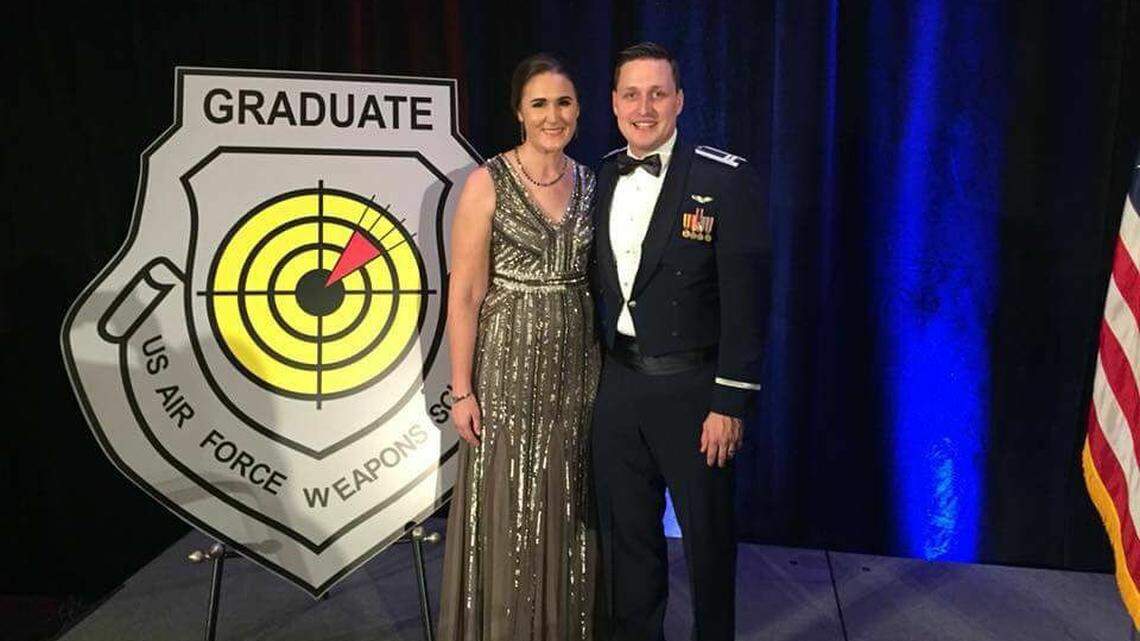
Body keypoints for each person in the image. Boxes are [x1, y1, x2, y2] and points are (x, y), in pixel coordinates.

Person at [591, 42, 771, 641]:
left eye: (657, 93)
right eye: (632, 94)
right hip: (618, 386)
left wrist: (730, 402)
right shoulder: (600, 176)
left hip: (696, 392)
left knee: (708, 542)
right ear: (615, 102)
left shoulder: (723, 178)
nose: (645, 107)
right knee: (629, 539)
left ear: (679, 101)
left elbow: (747, 300)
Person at [438, 53, 599, 641]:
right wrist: (461, 390)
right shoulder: (487, 182)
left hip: (578, 367)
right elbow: (465, 294)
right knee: (507, 500)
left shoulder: (591, 181)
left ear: (579, 109)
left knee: (567, 496)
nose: (552, 116)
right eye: (539, 104)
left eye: (563, 102)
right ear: (519, 113)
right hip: (504, 367)